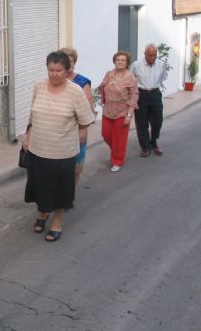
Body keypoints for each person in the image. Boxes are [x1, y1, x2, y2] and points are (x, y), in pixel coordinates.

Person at [22, 51, 94, 242]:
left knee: (60, 189)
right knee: (40, 186)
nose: (54, 74)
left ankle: (57, 221)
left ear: (67, 70)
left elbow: (86, 121)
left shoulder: (75, 91)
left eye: (58, 70)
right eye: (50, 70)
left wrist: (68, 130)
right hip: (38, 148)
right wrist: (27, 136)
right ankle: (42, 213)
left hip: (63, 151)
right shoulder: (38, 86)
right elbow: (33, 114)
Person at [98, 51, 139, 172]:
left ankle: (117, 160)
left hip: (122, 111)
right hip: (108, 110)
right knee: (106, 135)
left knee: (119, 138)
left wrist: (129, 115)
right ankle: (117, 150)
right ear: (114, 61)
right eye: (118, 60)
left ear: (127, 63)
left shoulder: (131, 77)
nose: (120, 62)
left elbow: (134, 96)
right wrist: (101, 87)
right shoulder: (109, 74)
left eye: (123, 60)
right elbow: (102, 87)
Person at [60, 47, 95, 187]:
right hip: (58, 131)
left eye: (71, 60)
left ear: (75, 62)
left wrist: (82, 130)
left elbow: (89, 110)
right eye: (65, 60)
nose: (68, 63)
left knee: (75, 167)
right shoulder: (55, 80)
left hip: (76, 129)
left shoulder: (82, 82)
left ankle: (70, 195)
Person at [131, 44, 168, 157]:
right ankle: (145, 147)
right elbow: (131, 79)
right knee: (141, 122)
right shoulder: (136, 65)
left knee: (158, 121)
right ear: (145, 54)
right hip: (141, 94)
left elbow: (163, 77)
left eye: (154, 55)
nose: (152, 58)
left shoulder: (161, 64)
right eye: (150, 55)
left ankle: (154, 142)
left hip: (155, 93)